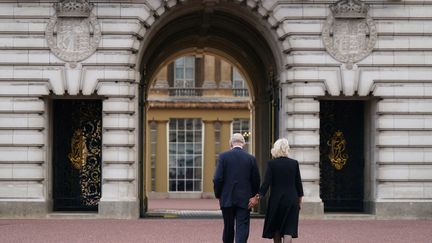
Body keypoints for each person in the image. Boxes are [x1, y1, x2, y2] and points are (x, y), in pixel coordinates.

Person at [249, 138, 303, 243]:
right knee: (289, 230)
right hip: (292, 199)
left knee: (276, 229)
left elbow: (266, 183)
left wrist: (258, 197)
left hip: (276, 200)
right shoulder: (294, 163)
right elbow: (298, 184)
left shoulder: (272, 164)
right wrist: (299, 201)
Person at [213, 133, 260, 243]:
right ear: (243, 144)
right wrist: (254, 196)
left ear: (231, 143)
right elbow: (256, 180)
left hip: (227, 198)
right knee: (242, 228)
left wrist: (219, 194)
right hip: (245, 199)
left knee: (228, 228)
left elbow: (217, 178)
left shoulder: (223, 157)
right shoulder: (251, 158)